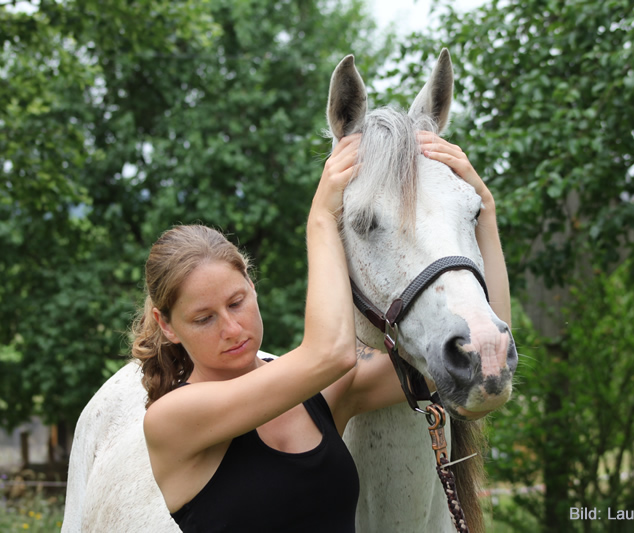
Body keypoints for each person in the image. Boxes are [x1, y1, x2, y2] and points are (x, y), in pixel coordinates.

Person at [132, 133, 510, 532]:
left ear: (252, 286)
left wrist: (483, 208)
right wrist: (323, 218)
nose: (231, 328)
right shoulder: (171, 419)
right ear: (167, 326)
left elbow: (485, 350)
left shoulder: (323, 397)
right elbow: (331, 353)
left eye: (236, 302)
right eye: (204, 318)